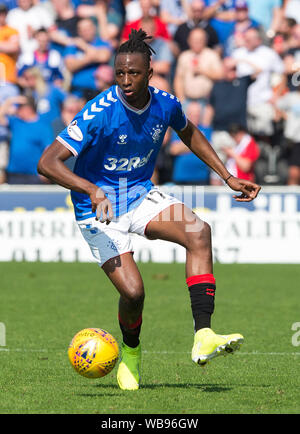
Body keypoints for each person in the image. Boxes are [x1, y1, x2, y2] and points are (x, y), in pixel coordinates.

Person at [37, 29, 260, 391]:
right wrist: (91, 189)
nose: (125, 81)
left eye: (134, 73)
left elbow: (189, 132)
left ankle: (203, 334)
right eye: (120, 73)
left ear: (149, 73)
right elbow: (47, 163)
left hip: (139, 196)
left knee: (198, 232)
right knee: (134, 294)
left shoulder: (165, 103)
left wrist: (227, 176)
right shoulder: (99, 112)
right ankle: (131, 354)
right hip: (99, 211)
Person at [0, 94, 54, 184]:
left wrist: (45, 171)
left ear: (27, 109)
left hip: (34, 175)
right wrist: (10, 101)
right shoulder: (16, 122)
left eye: (19, 107)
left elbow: (48, 149)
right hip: (14, 174)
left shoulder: (42, 126)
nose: (16, 110)